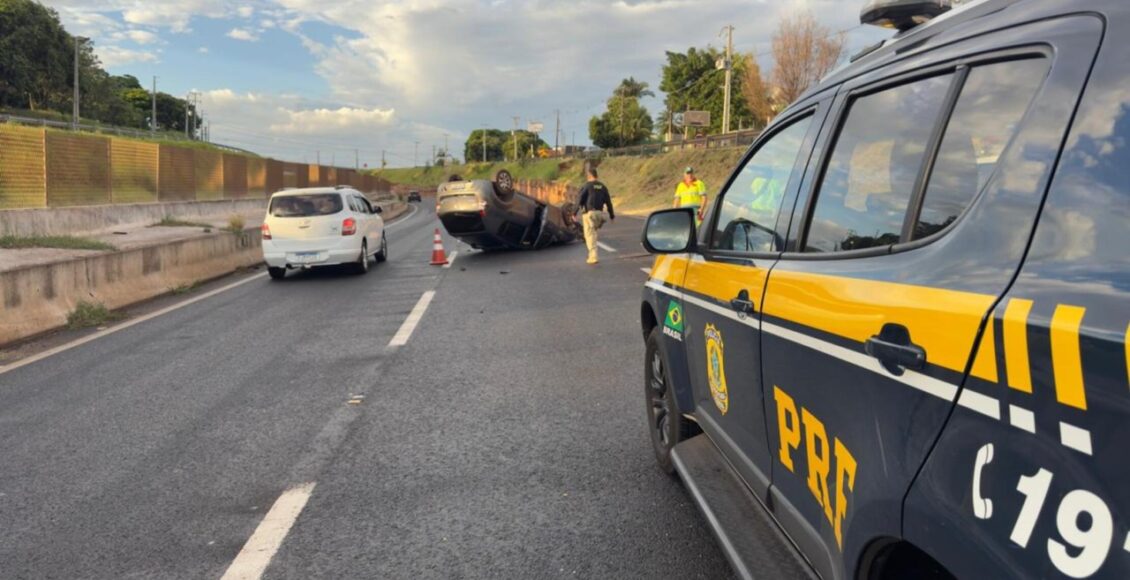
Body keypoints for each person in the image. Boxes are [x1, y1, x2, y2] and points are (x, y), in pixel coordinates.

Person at [576, 166, 615, 265]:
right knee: (593, 233)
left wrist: (574, 212)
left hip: (589, 214)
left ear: (589, 176)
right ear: (596, 175)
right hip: (599, 214)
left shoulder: (587, 186)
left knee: (589, 235)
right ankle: (592, 255)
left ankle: (593, 257)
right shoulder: (602, 186)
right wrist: (612, 216)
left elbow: (579, 199)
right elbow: (608, 202)